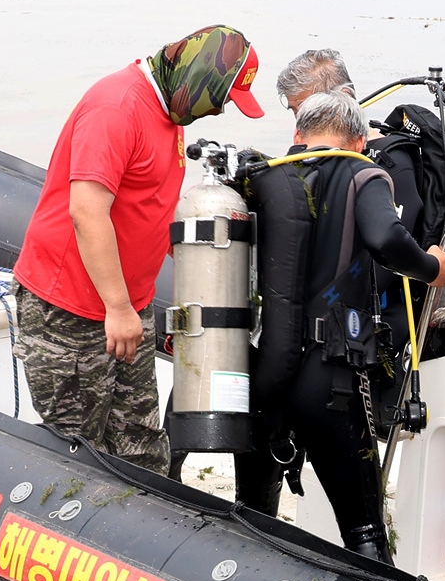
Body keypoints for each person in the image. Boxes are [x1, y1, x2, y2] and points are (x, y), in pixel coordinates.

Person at [13, 25, 262, 473]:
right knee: (77, 451)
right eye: (220, 97)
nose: (219, 109)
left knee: (141, 442)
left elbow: (148, 201)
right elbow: (86, 211)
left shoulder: (170, 113)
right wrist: (117, 306)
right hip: (71, 309)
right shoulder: (117, 108)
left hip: (130, 307)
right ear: (198, 78)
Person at [284, 90, 445, 564]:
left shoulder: (269, 175)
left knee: (253, 503)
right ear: (360, 141)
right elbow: (386, 238)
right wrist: (431, 268)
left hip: (262, 367)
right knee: (364, 528)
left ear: (297, 133)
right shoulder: (363, 173)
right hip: (325, 377)